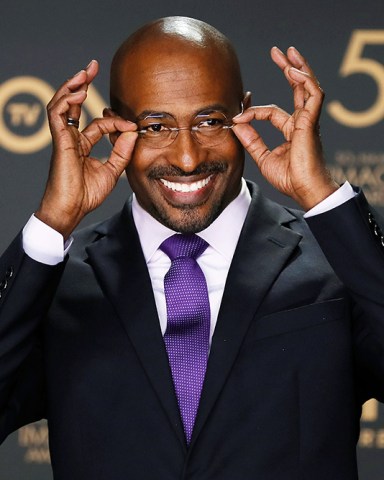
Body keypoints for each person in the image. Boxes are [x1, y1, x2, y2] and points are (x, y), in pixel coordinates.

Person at [0, 15, 383, 480]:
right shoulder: (55, 282)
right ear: (113, 127)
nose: (188, 158)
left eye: (210, 121)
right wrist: (53, 222)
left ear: (243, 111)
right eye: (156, 127)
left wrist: (322, 195)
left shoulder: (336, 259)